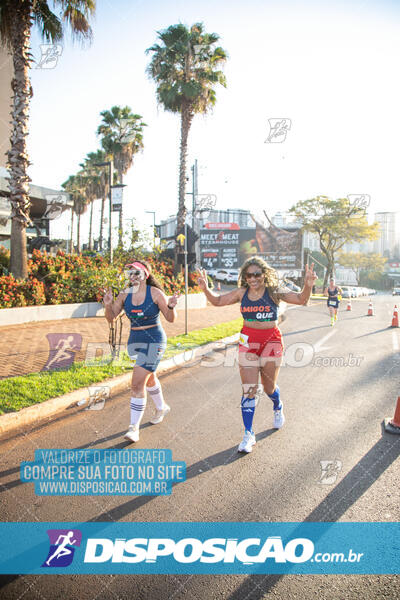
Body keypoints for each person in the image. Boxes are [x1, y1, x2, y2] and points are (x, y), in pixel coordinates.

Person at [197, 257, 317, 453]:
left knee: (269, 387)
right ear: (245, 276)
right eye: (249, 275)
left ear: (264, 275)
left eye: (257, 274)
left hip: (272, 342)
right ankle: (248, 434)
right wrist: (205, 288)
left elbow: (301, 300)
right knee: (250, 389)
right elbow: (218, 301)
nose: (253, 278)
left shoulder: (274, 291)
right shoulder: (242, 292)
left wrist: (308, 285)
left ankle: (277, 406)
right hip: (248, 343)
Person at [103, 260, 179, 443]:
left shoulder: (155, 293)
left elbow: (170, 319)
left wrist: (171, 306)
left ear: (146, 275)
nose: (133, 276)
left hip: (154, 340)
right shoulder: (123, 295)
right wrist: (108, 304)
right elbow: (111, 318)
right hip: (135, 341)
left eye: (137, 273)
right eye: (130, 273)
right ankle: (162, 407)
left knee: (137, 384)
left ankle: (133, 428)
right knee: (149, 377)